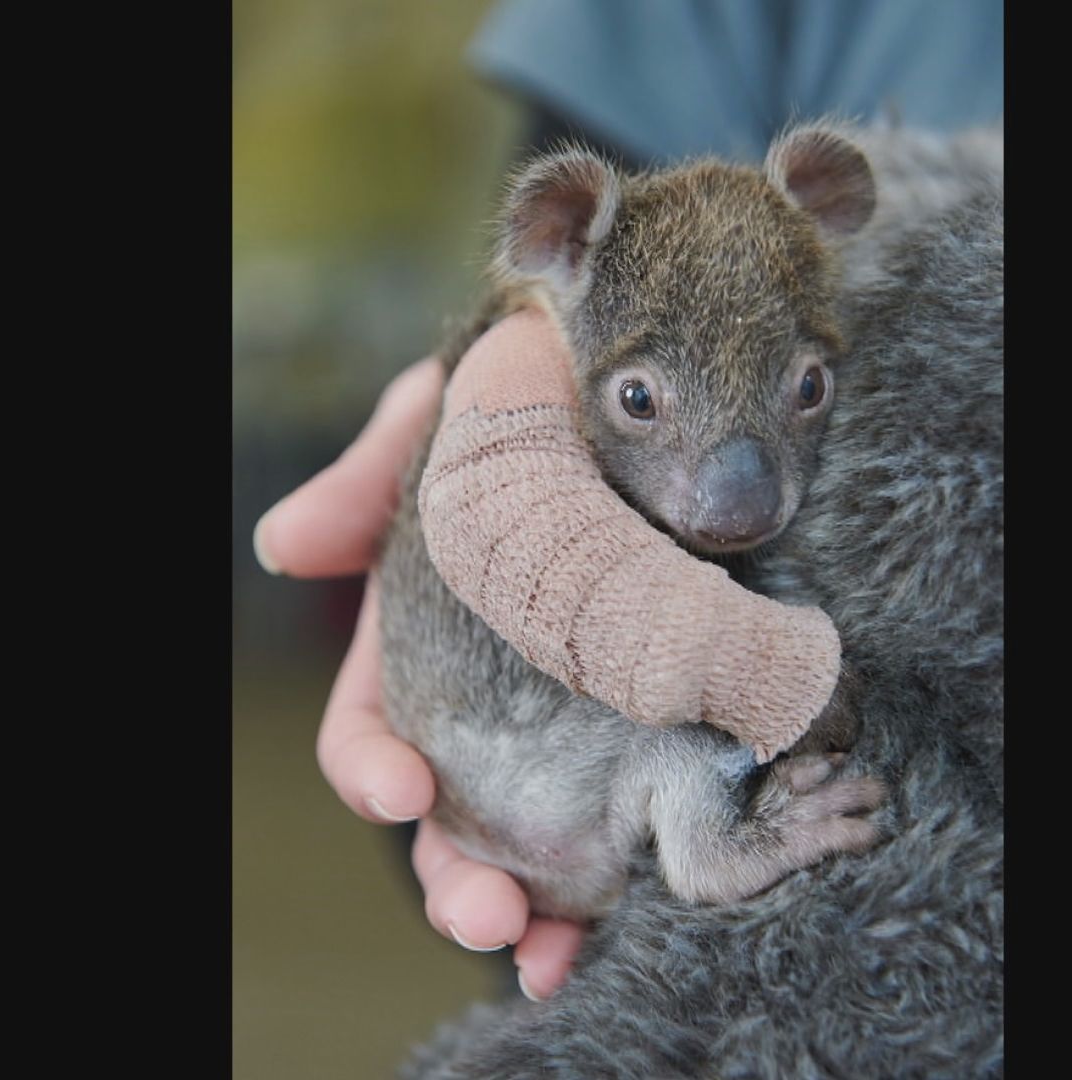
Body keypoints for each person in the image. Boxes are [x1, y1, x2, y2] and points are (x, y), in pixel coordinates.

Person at [253, 0, 1005, 1003]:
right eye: (643, 403)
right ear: (555, 237)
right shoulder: (557, 327)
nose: (740, 495)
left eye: (806, 391)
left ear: (831, 203)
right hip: (530, 761)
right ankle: (707, 832)